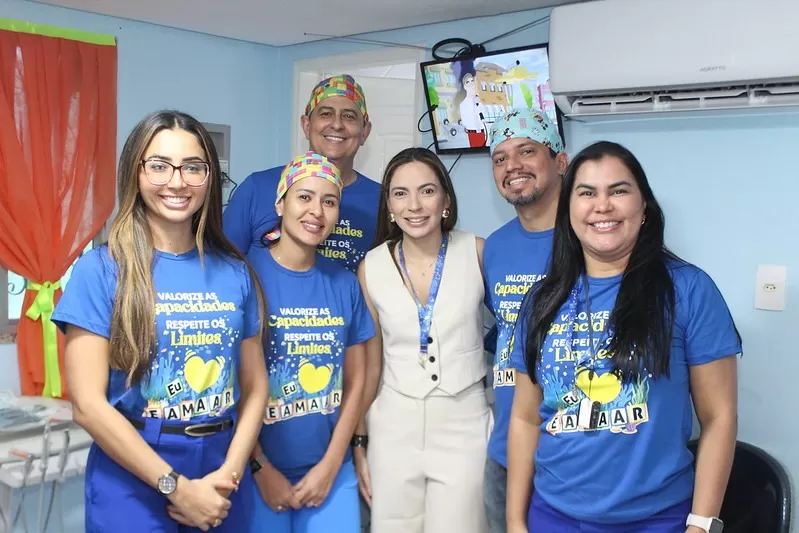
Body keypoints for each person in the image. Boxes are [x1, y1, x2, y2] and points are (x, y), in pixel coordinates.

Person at [51, 110, 269, 532]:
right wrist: (176, 488)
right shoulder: (101, 271)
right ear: (136, 172)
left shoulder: (235, 272)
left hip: (222, 473)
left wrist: (229, 476)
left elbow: (256, 386)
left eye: (193, 167)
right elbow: (88, 407)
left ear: (210, 178)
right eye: (159, 165)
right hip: (133, 473)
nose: (177, 181)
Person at [506, 141, 740, 533]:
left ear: (643, 206)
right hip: (553, 518)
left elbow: (719, 417)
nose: (603, 206)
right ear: (568, 211)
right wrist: (515, 521)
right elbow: (525, 419)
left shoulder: (688, 290)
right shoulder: (541, 301)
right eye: (586, 193)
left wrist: (701, 525)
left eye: (618, 191)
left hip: (659, 520)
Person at [353, 147, 490, 533]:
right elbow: (371, 364)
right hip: (393, 426)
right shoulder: (371, 267)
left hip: (464, 421)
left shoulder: (477, 252)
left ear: (446, 199)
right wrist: (360, 444)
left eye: (427, 191)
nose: (414, 205)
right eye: (400, 193)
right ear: (389, 205)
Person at [247, 152, 375, 533]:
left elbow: (356, 383)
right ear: (280, 203)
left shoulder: (344, 284)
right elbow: (235, 384)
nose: (316, 211)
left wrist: (333, 464)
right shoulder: (245, 277)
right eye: (304, 197)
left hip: (331, 473)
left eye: (329, 201)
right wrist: (259, 467)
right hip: (258, 473)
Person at [481, 108, 569, 533]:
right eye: (500, 158)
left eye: (527, 151)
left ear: (560, 162)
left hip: (572, 455)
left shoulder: (593, 238)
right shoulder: (495, 248)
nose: (512, 166)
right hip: (505, 454)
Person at [224, 74, 380, 272]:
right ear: (307, 125)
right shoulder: (258, 188)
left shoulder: (381, 200)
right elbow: (221, 265)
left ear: (365, 131)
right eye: (325, 114)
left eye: (349, 116)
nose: (337, 124)